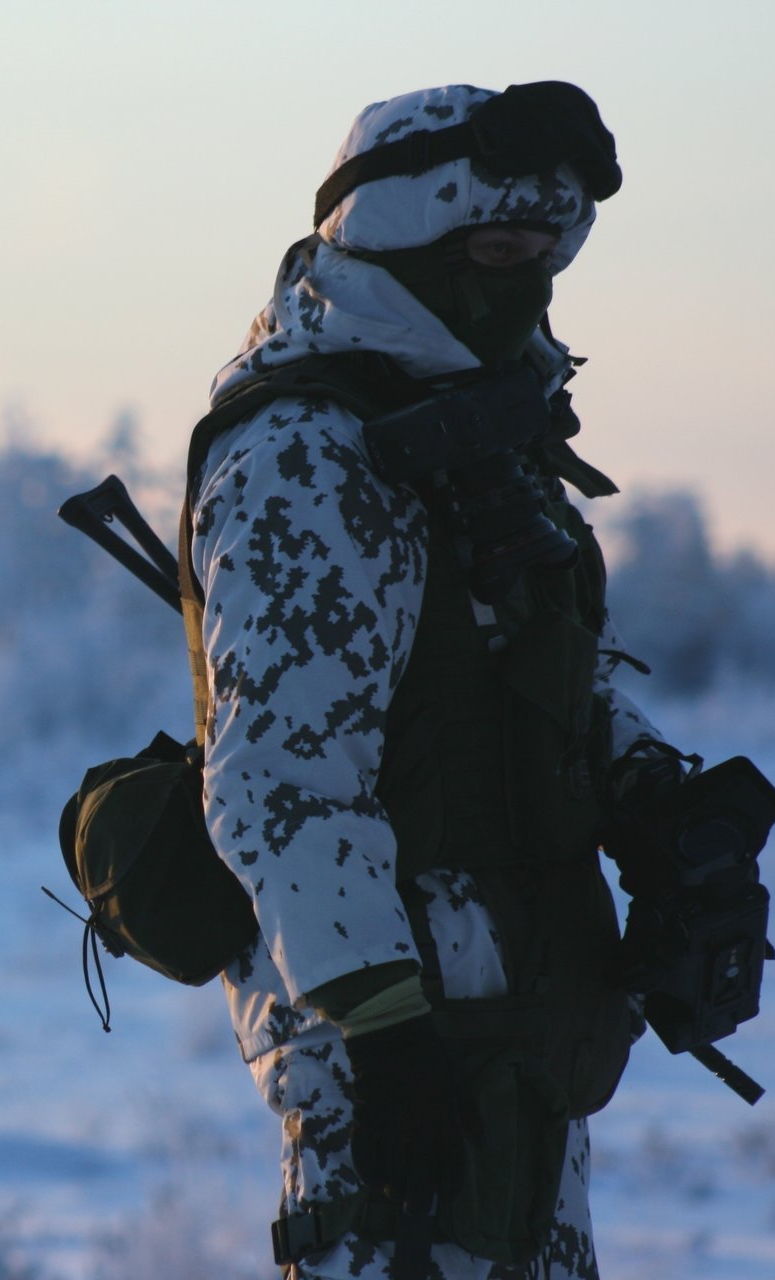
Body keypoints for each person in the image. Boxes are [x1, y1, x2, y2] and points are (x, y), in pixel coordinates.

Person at [185, 83, 669, 1279]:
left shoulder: (489, 433)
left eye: (549, 251)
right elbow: (282, 778)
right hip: (391, 1064)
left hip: (526, 1032)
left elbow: (556, 667)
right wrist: (384, 1028)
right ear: (408, 236)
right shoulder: (306, 455)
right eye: (502, 247)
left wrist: (664, 804)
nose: (531, 279)